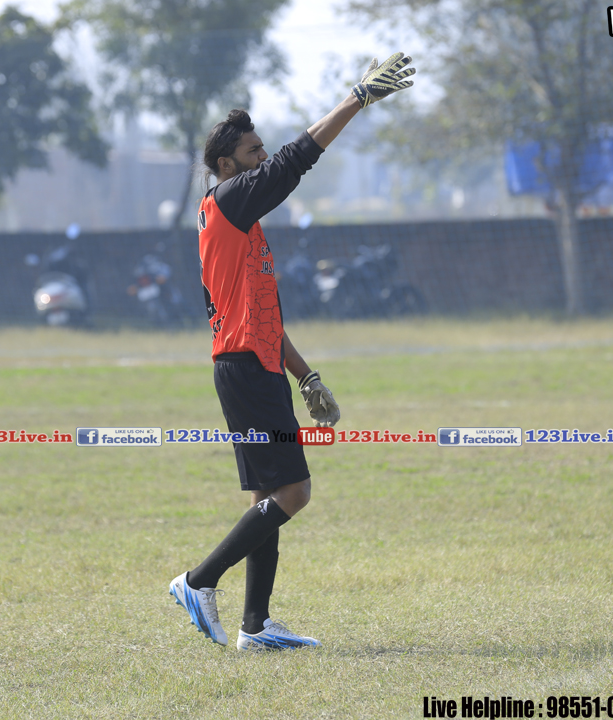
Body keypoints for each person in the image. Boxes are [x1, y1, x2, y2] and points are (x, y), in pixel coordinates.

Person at [169, 53, 416, 651]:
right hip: (244, 371)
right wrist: (357, 98)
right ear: (226, 165)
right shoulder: (229, 200)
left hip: (252, 365)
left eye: (261, 149)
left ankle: (255, 627)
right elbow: (294, 161)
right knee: (294, 493)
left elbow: (265, 320)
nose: (262, 157)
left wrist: (306, 377)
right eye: (252, 151)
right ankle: (198, 581)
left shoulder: (243, 222)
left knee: (267, 497)